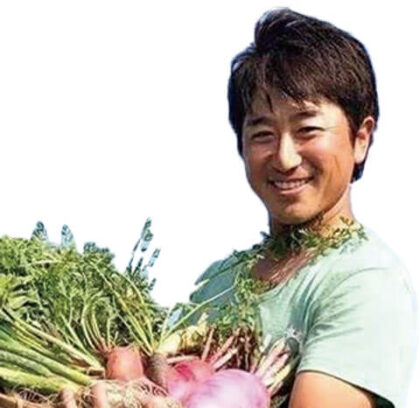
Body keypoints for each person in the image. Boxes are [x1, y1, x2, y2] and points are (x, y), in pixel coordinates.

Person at [189, 7, 418, 408]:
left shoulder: (364, 280)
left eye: (307, 129)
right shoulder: (217, 282)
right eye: (263, 133)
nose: (285, 157)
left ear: (361, 139)